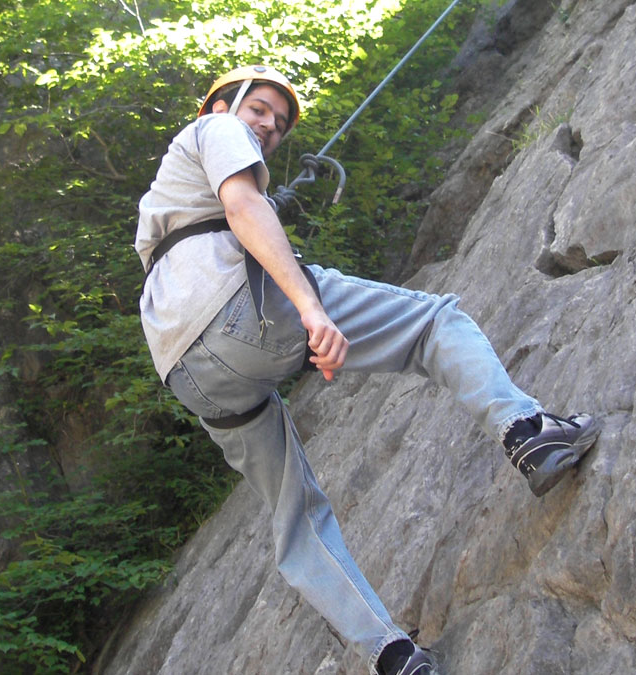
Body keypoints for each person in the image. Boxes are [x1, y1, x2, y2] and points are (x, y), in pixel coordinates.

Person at [134, 65, 601, 675]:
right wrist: (309, 309)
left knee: (294, 517)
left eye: (278, 124)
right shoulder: (212, 130)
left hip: (187, 373)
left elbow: (224, 220)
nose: (270, 127)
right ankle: (527, 431)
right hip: (240, 310)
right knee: (436, 323)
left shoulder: (161, 203)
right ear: (220, 106)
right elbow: (243, 203)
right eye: (261, 111)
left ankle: (391, 656)